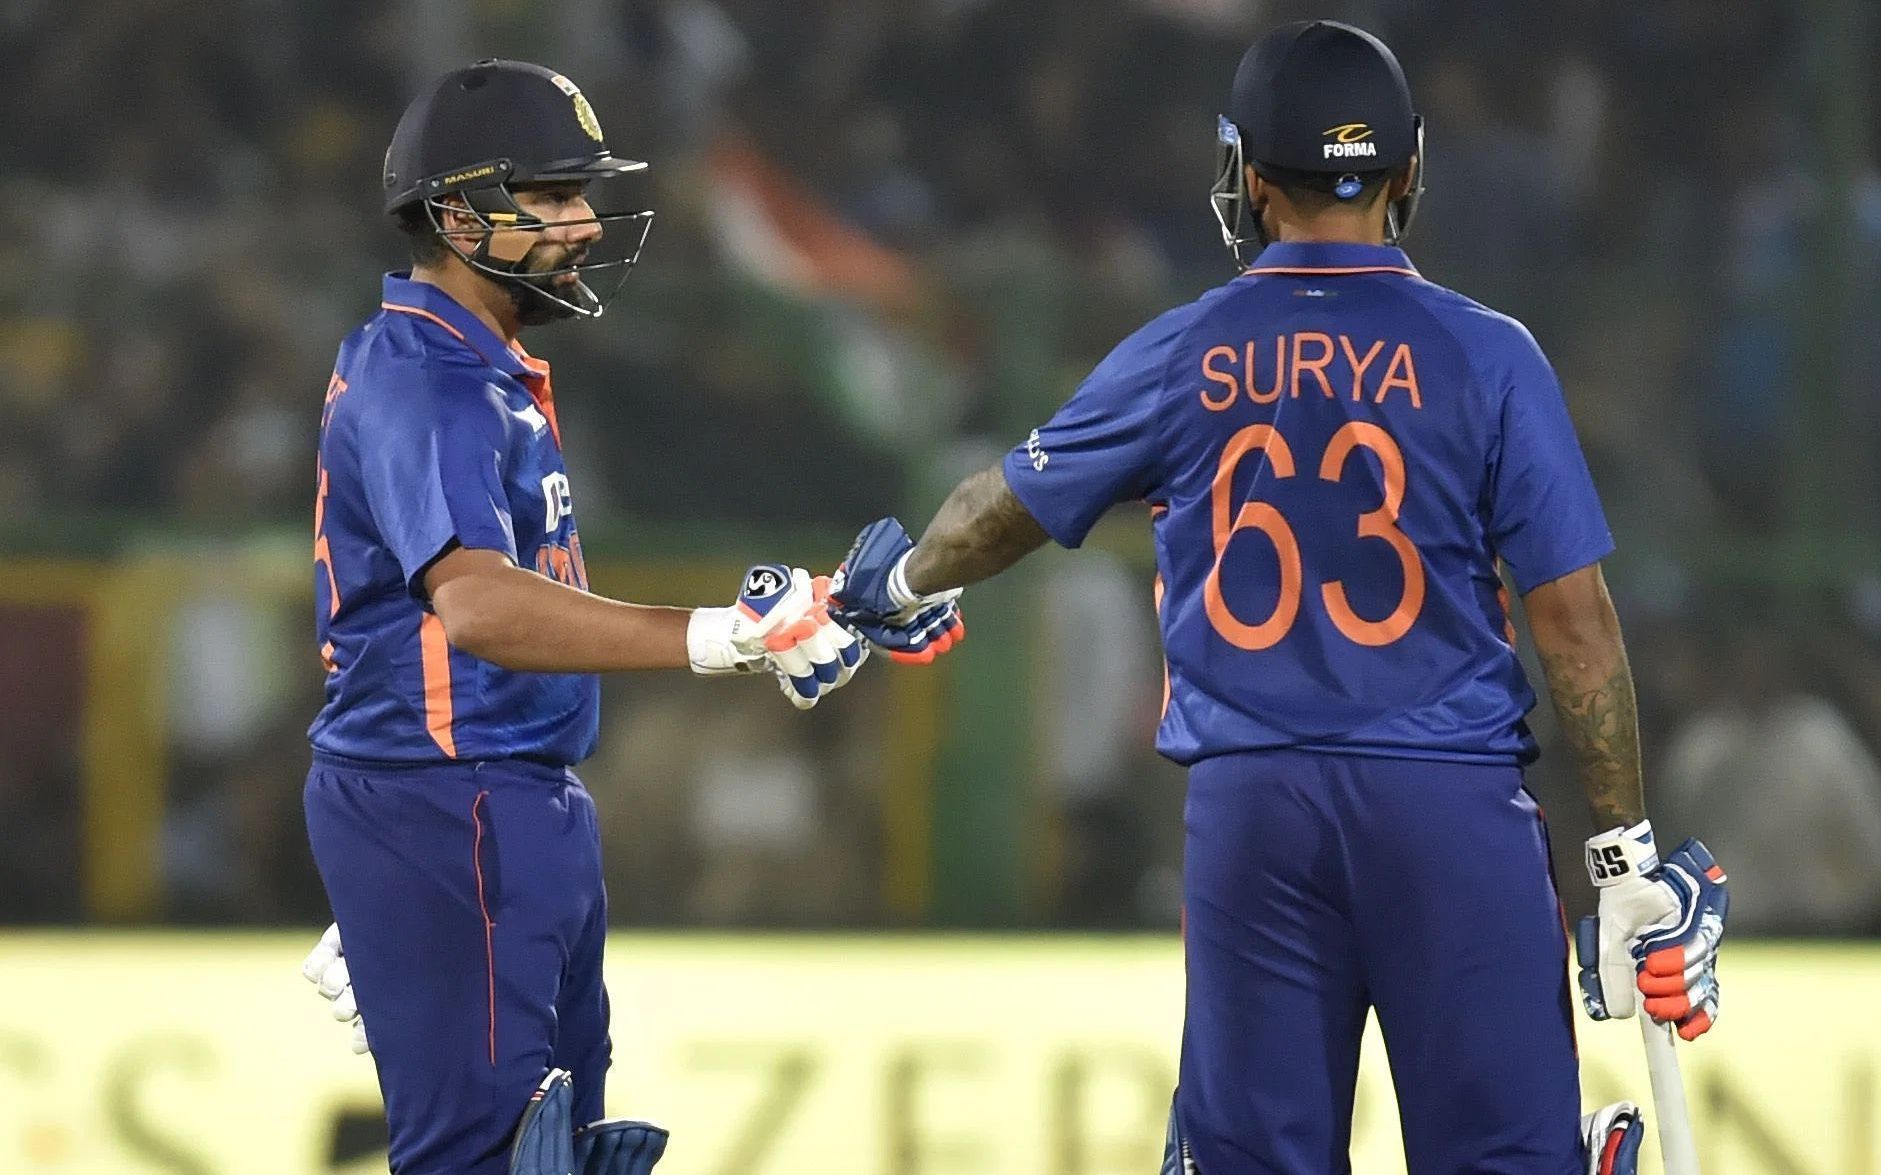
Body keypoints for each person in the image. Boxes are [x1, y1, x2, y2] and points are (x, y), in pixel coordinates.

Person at [828, 21, 1728, 1175]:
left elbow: (996, 510)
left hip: (1255, 813)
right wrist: (1624, 856)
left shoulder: (1185, 348)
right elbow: (1577, 628)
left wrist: (892, 586)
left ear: (1251, 178)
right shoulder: (1492, 355)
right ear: (1407, 174)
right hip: (1449, 805)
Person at [295, 59, 869, 1175]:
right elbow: (475, 606)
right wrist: (718, 637)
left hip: (490, 805)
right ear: (460, 213)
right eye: (552, 196)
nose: (584, 222)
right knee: (497, 1163)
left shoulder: (474, 365)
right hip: (452, 801)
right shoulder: (433, 376)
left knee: (563, 1156)